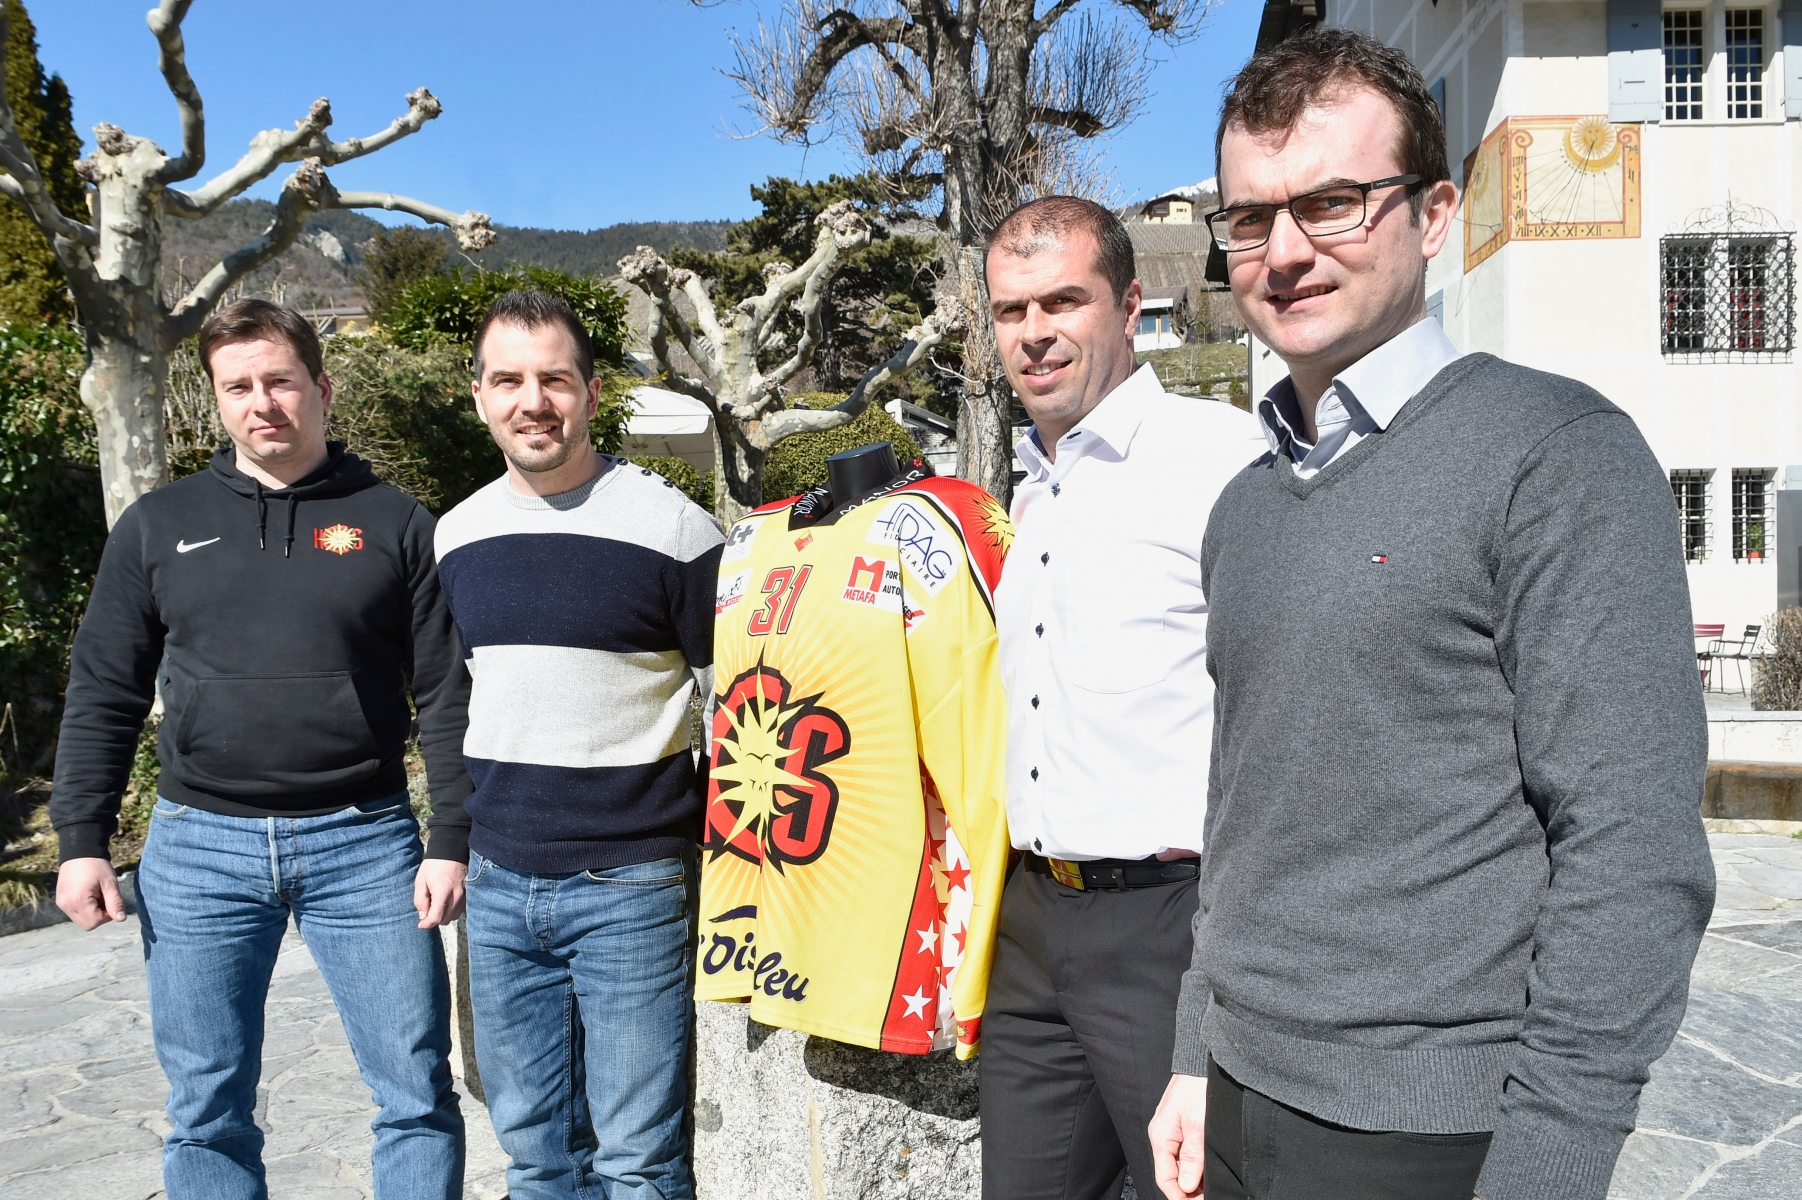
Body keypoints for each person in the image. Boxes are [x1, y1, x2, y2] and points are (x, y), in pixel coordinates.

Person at [1148, 27, 1715, 1200]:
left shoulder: (1554, 456)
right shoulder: (1242, 509)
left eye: (1334, 203)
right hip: (1236, 1101)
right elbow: (1241, 810)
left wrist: (1548, 1167)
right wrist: (1193, 1055)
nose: (1284, 251)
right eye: (1249, 219)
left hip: (1424, 1134)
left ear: (1436, 213)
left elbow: (1631, 847)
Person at [51, 298, 471, 1200]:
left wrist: (450, 839)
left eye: (280, 381)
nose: (261, 402)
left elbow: (444, 692)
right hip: (198, 848)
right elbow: (104, 688)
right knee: (206, 1110)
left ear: (321, 386)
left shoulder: (398, 523)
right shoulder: (158, 526)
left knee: (413, 1092)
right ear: (217, 400)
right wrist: (82, 837)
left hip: (364, 843)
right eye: (237, 387)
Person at [980, 196, 1264, 1198]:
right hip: (1028, 921)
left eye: (1063, 300)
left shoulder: (1217, 458)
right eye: (1010, 310)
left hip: (1165, 922)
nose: (1034, 332)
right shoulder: (1026, 487)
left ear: (1129, 304)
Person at [435, 290, 722, 1200]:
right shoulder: (456, 537)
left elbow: (736, 699)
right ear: (478, 395)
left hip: (631, 884)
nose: (534, 401)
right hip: (499, 881)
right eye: (510, 380)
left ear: (592, 394)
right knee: (535, 1159)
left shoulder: (674, 531)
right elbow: (453, 703)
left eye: (555, 379)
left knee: (639, 1159)